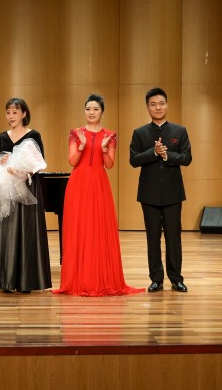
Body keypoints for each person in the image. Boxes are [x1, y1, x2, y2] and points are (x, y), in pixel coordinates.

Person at [53, 94, 143, 296]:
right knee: (78, 229)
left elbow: (109, 164)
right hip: (78, 184)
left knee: (98, 229)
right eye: (88, 109)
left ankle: (98, 278)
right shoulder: (76, 133)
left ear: (102, 112)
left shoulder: (110, 135)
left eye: (95, 109)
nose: (91, 112)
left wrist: (103, 150)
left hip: (99, 184)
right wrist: (82, 146)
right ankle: (78, 280)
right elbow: (72, 161)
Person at [129, 87, 192, 293]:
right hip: (148, 194)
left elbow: (187, 158)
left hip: (173, 193)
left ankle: (176, 278)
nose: (158, 108)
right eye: (153, 104)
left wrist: (167, 156)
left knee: (174, 237)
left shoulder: (179, 131)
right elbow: (133, 160)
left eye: (161, 103)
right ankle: (156, 279)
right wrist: (153, 152)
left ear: (167, 105)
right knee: (152, 238)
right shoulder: (139, 133)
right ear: (147, 107)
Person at [0, 97, 51, 293]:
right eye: (8, 112)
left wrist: (24, 172)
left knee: (27, 232)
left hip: (27, 188)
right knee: (7, 232)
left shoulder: (34, 135)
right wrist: (0, 162)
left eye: (15, 112)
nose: (11, 116)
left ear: (24, 114)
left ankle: (26, 281)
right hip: (6, 189)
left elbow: (39, 163)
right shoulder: (2, 137)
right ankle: (5, 280)